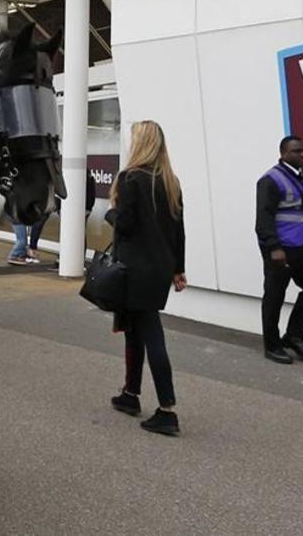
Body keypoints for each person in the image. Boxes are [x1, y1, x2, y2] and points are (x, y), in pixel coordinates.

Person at [105, 120, 186, 436]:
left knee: (150, 333)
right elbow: (179, 231)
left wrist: (111, 212)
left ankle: (167, 409)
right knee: (135, 331)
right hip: (160, 270)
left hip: (134, 270)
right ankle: (130, 393)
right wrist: (179, 269)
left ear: (140, 144)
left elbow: (124, 225)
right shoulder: (171, 181)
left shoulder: (130, 179)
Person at [255, 135, 303, 364]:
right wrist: (273, 247)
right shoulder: (270, 180)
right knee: (275, 296)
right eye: (297, 151)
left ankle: (294, 336)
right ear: (283, 153)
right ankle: (272, 345)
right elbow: (263, 218)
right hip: (281, 247)